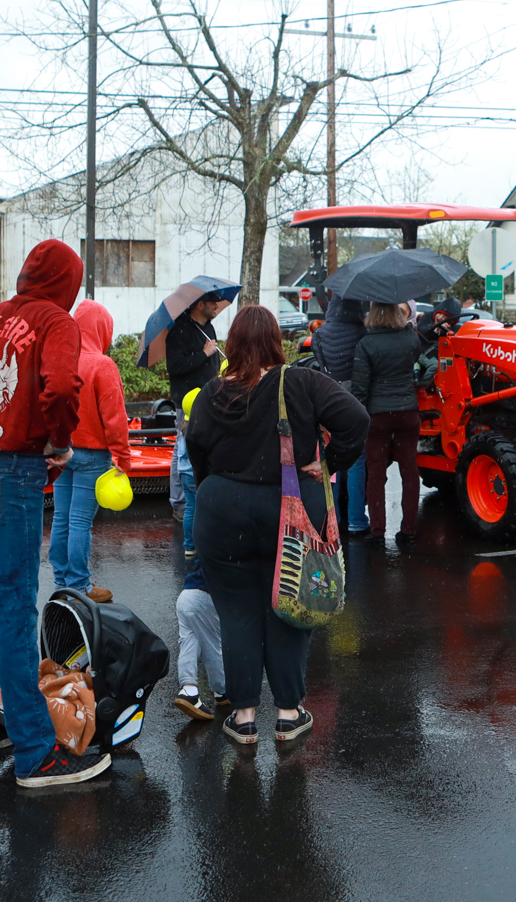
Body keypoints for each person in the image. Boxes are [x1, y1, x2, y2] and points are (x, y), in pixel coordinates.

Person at [0, 239, 109, 788]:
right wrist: (58, 439)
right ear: (69, 283)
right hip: (10, 470)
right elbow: (61, 385)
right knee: (14, 609)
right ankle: (38, 753)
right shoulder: (55, 321)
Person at [186, 304, 368, 745]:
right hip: (289, 511)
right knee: (291, 604)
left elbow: (197, 453)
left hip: (222, 513)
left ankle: (244, 716)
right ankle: (288, 713)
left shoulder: (211, 393)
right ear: (275, 341)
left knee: (237, 613)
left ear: (232, 344)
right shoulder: (301, 382)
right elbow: (356, 420)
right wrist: (325, 465)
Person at [50, 300, 134, 602]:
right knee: (80, 521)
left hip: (62, 451)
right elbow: (115, 419)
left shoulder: (63, 360)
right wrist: (123, 458)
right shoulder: (103, 365)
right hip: (92, 456)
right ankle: (80, 585)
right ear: (102, 330)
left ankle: (61, 579)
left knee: (62, 517)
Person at [351, 302, 424, 541]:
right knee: (409, 470)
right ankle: (409, 530)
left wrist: (357, 418)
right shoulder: (411, 339)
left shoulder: (366, 344)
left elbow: (360, 388)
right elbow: (417, 368)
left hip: (378, 416)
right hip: (408, 412)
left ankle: (378, 531)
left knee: (376, 473)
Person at [166, 293, 230, 559]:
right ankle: (180, 502)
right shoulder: (179, 330)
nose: (217, 307)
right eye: (213, 303)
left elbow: (211, 358)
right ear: (199, 304)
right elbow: (176, 366)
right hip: (188, 402)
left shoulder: (208, 327)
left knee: (192, 449)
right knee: (182, 449)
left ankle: (189, 495)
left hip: (209, 396)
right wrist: (203, 354)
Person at [312, 297, 372, 534]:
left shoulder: (320, 332)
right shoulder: (362, 332)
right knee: (357, 458)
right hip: (353, 394)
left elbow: (320, 362)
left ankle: (332, 517)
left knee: (330, 457)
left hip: (328, 393)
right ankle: (357, 519)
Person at [172, 563, 229, 719]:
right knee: (213, 644)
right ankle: (222, 690)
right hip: (205, 597)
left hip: (186, 595)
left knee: (189, 643)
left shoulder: (210, 544)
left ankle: (188, 690)